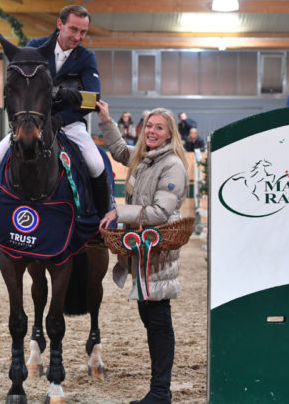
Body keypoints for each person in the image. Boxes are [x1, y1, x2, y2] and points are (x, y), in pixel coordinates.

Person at [0, 5, 108, 237]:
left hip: (70, 124)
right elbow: (21, 87)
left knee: (96, 163)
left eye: (83, 32)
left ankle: (101, 224)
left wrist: (61, 117)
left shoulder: (86, 58)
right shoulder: (34, 48)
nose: (78, 37)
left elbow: (93, 99)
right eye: (73, 30)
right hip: (32, 123)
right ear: (59, 25)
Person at [96, 99, 189, 404]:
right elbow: (122, 151)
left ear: (169, 133)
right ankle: (159, 391)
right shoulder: (146, 157)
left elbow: (161, 212)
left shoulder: (172, 164)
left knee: (159, 322)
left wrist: (119, 213)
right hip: (141, 253)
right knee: (150, 320)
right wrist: (107, 122)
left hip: (158, 255)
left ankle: (161, 393)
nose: (151, 131)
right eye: (149, 125)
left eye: (158, 127)